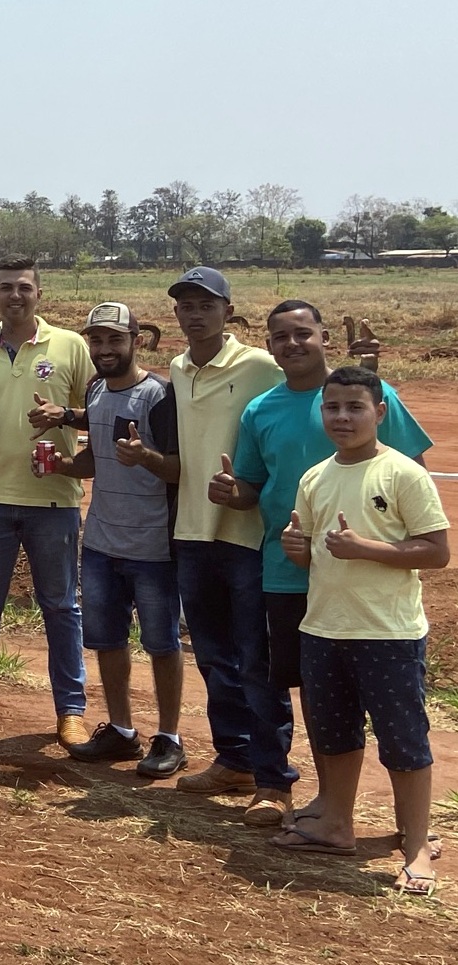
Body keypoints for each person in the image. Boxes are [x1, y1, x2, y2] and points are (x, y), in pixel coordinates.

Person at [217, 299, 431, 834]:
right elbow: (252, 488)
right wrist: (231, 492)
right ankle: (331, 801)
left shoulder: (366, 396)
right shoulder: (261, 409)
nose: (292, 344)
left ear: (324, 337)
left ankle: (410, 824)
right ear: (268, 345)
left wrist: (377, 547)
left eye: (303, 333)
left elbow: (412, 476)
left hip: (369, 582)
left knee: (390, 708)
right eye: (280, 336)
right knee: (318, 691)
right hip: (287, 570)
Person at [271, 366, 446, 896]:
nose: (342, 417)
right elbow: (313, 556)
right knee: (334, 735)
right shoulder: (315, 478)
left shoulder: (402, 474)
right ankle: (336, 823)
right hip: (323, 628)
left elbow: (436, 551)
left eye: (355, 407)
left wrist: (366, 548)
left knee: (403, 740)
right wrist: (297, 550)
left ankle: (417, 845)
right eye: (332, 408)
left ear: (380, 412)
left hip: (388, 633)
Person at [163, 266, 296, 824]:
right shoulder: (178, 368)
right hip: (193, 532)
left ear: (228, 312)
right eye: (186, 306)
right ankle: (234, 760)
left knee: (256, 661)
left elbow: (314, 393)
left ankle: (274, 781)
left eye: (206, 305)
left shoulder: (260, 366)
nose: (195, 314)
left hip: (246, 534)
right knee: (215, 658)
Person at [34, 303, 188, 777]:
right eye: (96, 340)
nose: (104, 349)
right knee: (108, 640)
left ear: (137, 342)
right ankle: (122, 730)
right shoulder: (97, 390)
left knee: (162, 643)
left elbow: (179, 468)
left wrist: (146, 457)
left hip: (153, 547)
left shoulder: (159, 395)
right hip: (101, 542)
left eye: (115, 340)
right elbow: (96, 460)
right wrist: (62, 466)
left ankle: (170, 737)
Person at [0, 255, 92, 747]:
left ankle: (71, 711)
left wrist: (66, 414)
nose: (15, 295)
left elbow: (96, 410)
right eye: (6, 288)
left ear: (39, 294)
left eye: (24, 287)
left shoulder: (70, 345)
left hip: (53, 500)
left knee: (61, 606)